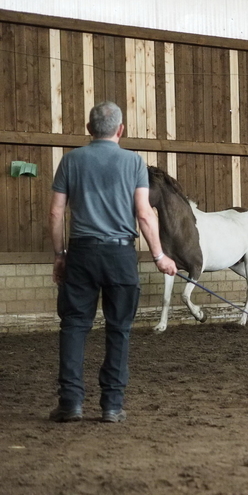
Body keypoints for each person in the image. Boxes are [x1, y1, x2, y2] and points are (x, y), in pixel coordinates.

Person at [48, 101, 177, 423]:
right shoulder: (134, 162)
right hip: (120, 256)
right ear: (121, 130)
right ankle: (111, 406)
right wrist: (160, 256)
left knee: (74, 326)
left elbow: (55, 213)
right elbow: (145, 214)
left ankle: (71, 403)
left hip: (80, 253)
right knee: (119, 329)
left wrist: (59, 255)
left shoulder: (70, 161)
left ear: (89, 130)